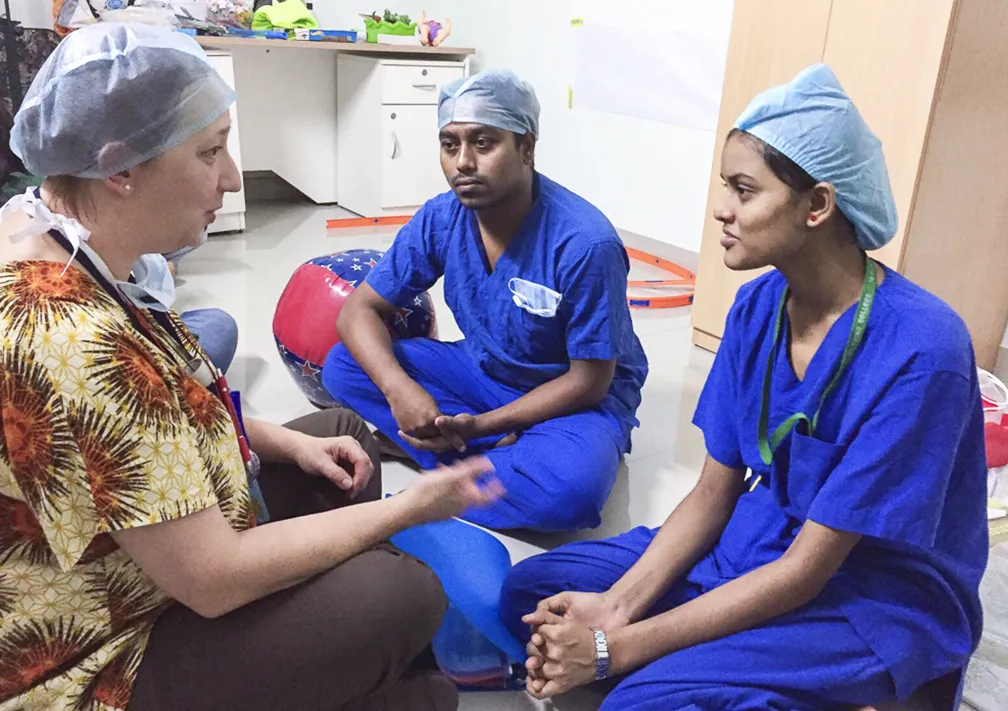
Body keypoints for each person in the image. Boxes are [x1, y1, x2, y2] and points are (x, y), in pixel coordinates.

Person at [0, 23, 502, 711]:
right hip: (110, 643)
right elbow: (211, 576)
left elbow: (174, 398)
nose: (233, 177)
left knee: (341, 434)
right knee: (404, 595)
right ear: (118, 167)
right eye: (210, 152)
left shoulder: (57, 236)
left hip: (153, 553)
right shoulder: (75, 339)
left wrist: (285, 439)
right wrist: (410, 507)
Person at [498, 63, 989, 710]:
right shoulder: (757, 308)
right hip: (760, 539)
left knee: (638, 699)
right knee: (532, 591)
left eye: (743, 189)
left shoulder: (923, 350)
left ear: (817, 205)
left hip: (869, 595)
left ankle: (879, 692)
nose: (721, 208)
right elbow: (712, 491)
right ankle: (722, 669)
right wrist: (616, 608)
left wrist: (617, 648)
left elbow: (809, 568)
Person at [322, 69, 648, 532]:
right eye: (449, 145)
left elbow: (590, 381)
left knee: (570, 493)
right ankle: (494, 462)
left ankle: (448, 466)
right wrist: (401, 390)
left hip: (571, 399)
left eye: (483, 142)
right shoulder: (443, 216)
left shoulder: (583, 242)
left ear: (527, 148)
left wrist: (481, 426)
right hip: (485, 371)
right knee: (343, 366)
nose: (463, 163)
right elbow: (359, 312)